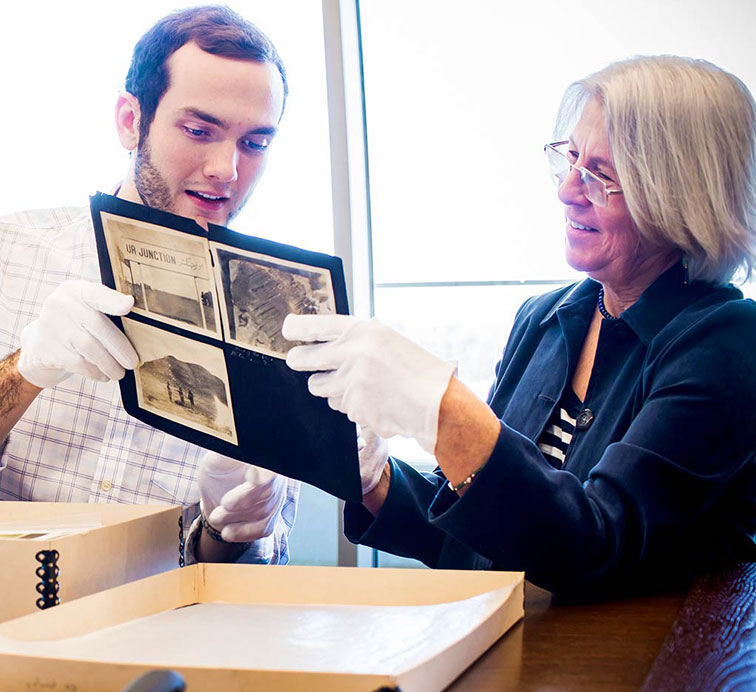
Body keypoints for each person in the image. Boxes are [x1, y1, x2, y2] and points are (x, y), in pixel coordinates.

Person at [283, 55, 756, 600]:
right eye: (570, 160)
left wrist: (442, 408)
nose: (566, 192)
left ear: (683, 195)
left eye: (602, 175)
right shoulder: (547, 319)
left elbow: (593, 547)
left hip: (644, 675)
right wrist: (372, 479)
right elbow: (476, 540)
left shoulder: (725, 342)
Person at [0, 5, 297, 565]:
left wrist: (233, 533)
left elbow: (258, 574)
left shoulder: (284, 320)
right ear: (130, 121)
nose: (226, 169)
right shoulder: (9, 252)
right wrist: (25, 369)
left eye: (254, 143)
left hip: (169, 635)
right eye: (199, 130)